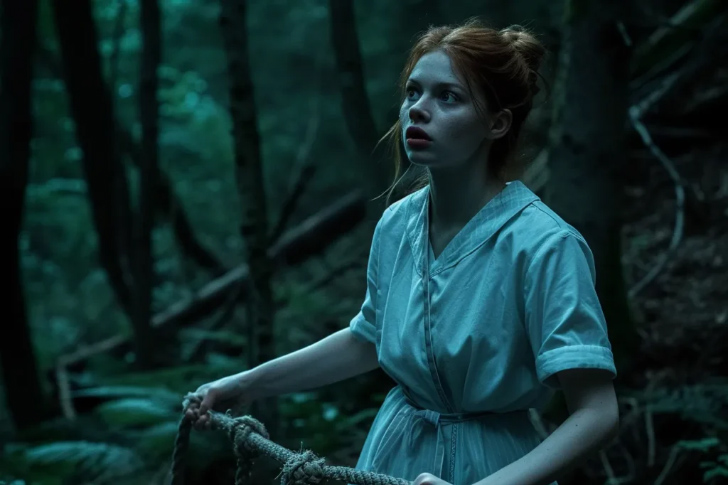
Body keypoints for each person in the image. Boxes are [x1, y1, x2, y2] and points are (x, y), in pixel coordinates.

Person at [184, 18, 619, 485]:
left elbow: (597, 412)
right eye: (413, 92)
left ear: (497, 123)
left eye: (447, 97)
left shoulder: (545, 246)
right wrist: (244, 384)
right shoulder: (397, 224)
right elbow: (368, 339)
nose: (418, 110)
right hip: (393, 452)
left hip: (495, 466)